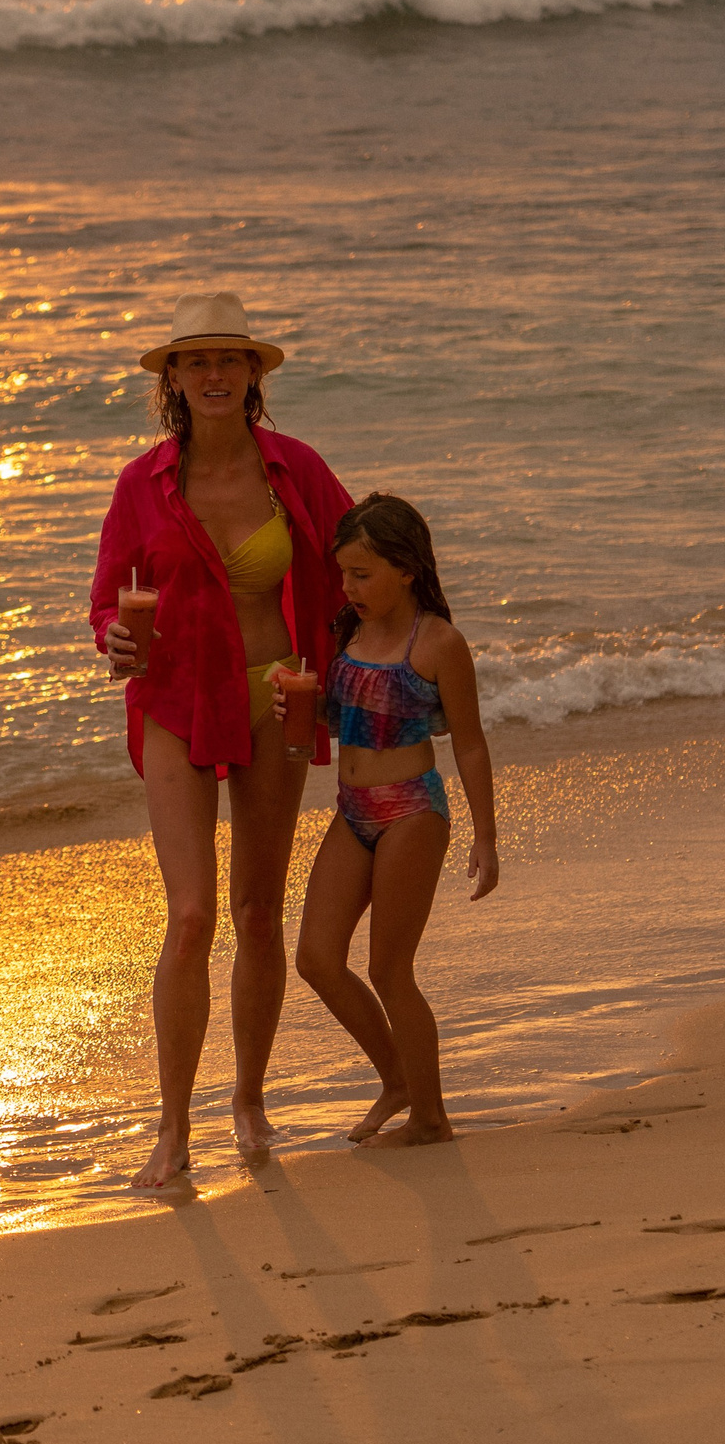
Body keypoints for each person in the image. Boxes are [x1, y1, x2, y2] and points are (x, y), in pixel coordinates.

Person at [90, 290, 354, 1184]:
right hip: (173, 700)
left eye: (227, 359)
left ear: (252, 376)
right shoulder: (141, 484)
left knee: (256, 912)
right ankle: (172, 1126)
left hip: (277, 697)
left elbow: (362, 564)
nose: (211, 373)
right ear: (172, 377)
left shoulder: (297, 472)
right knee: (192, 914)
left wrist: (392, 662)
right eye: (194, 360)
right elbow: (105, 601)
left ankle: (249, 1099)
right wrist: (113, 638)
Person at [283, 494, 500, 1148]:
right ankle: (397, 1079)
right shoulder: (345, 632)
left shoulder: (438, 642)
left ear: (407, 568)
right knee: (317, 958)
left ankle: (431, 1117)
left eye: (362, 574)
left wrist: (486, 837)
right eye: (343, 574)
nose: (348, 588)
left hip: (412, 810)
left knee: (389, 968)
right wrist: (298, 708)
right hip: (352, 812)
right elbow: (344, 718)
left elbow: (470, 743)